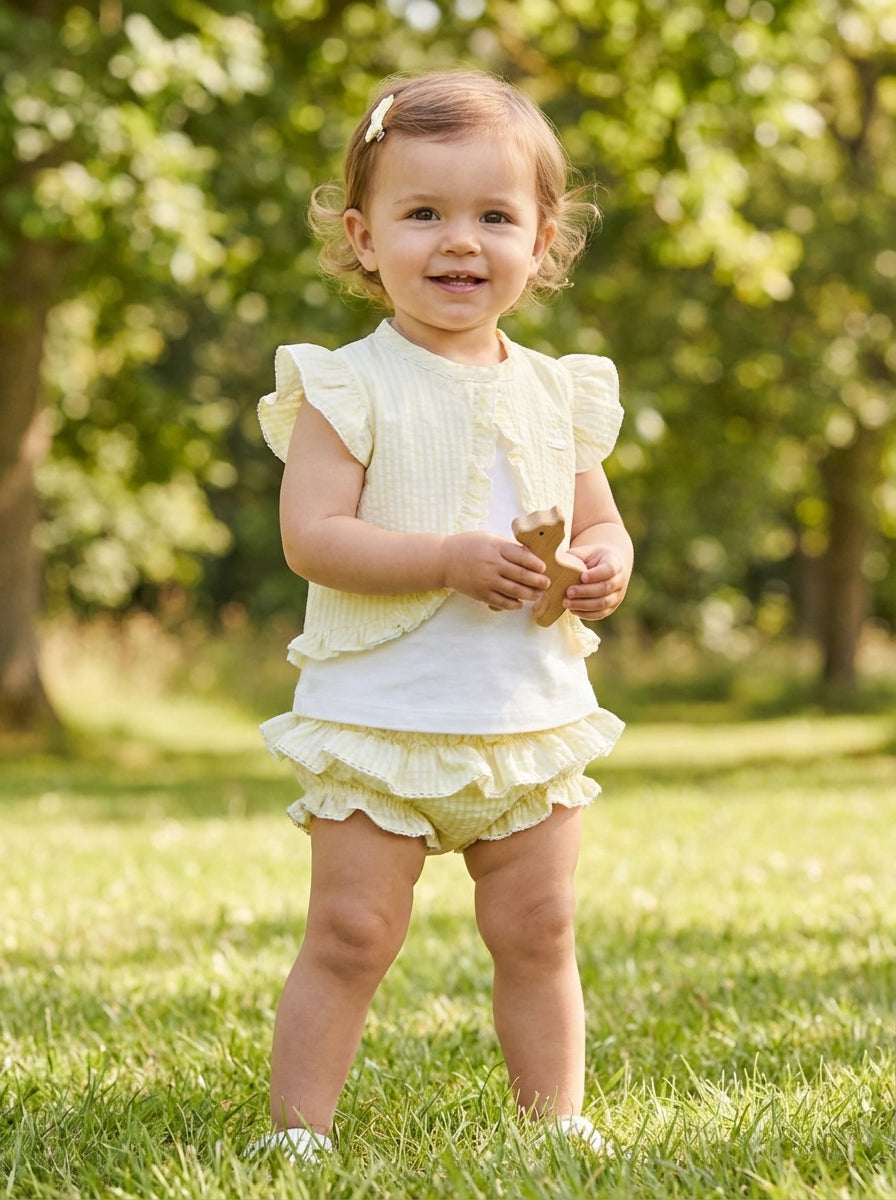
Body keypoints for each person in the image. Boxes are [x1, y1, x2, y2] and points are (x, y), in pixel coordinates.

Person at [251, 69, 633, 1164]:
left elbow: (600, 521)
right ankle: (297, 1135)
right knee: (352, 931)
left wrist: (605, 565)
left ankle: (554, 1121)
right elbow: (314, 536)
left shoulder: (559, 390)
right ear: (363, 238)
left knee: (539, 929)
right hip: (383, 717)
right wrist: (446, 560)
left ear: (541, 241)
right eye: (422, 213)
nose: (459, 241)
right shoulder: (346, 386)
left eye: (493, 217)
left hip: (525, 714)